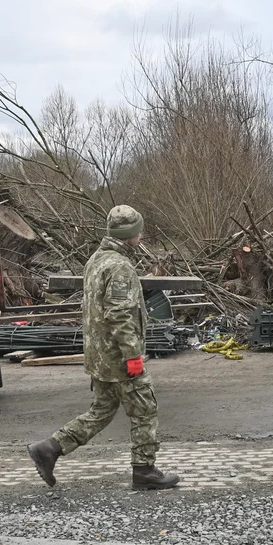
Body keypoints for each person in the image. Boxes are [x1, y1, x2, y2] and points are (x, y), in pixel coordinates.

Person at [27, 205, 180, 491]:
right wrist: (133, 355)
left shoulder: (96, 260)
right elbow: (119, 314)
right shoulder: (120, 266)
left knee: (102, 410)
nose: (141, 234)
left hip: (98, 356)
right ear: (128, 235)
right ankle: (144, 470)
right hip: (118, 356)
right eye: (138, 230)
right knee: (145, 410)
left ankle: (49, 449)